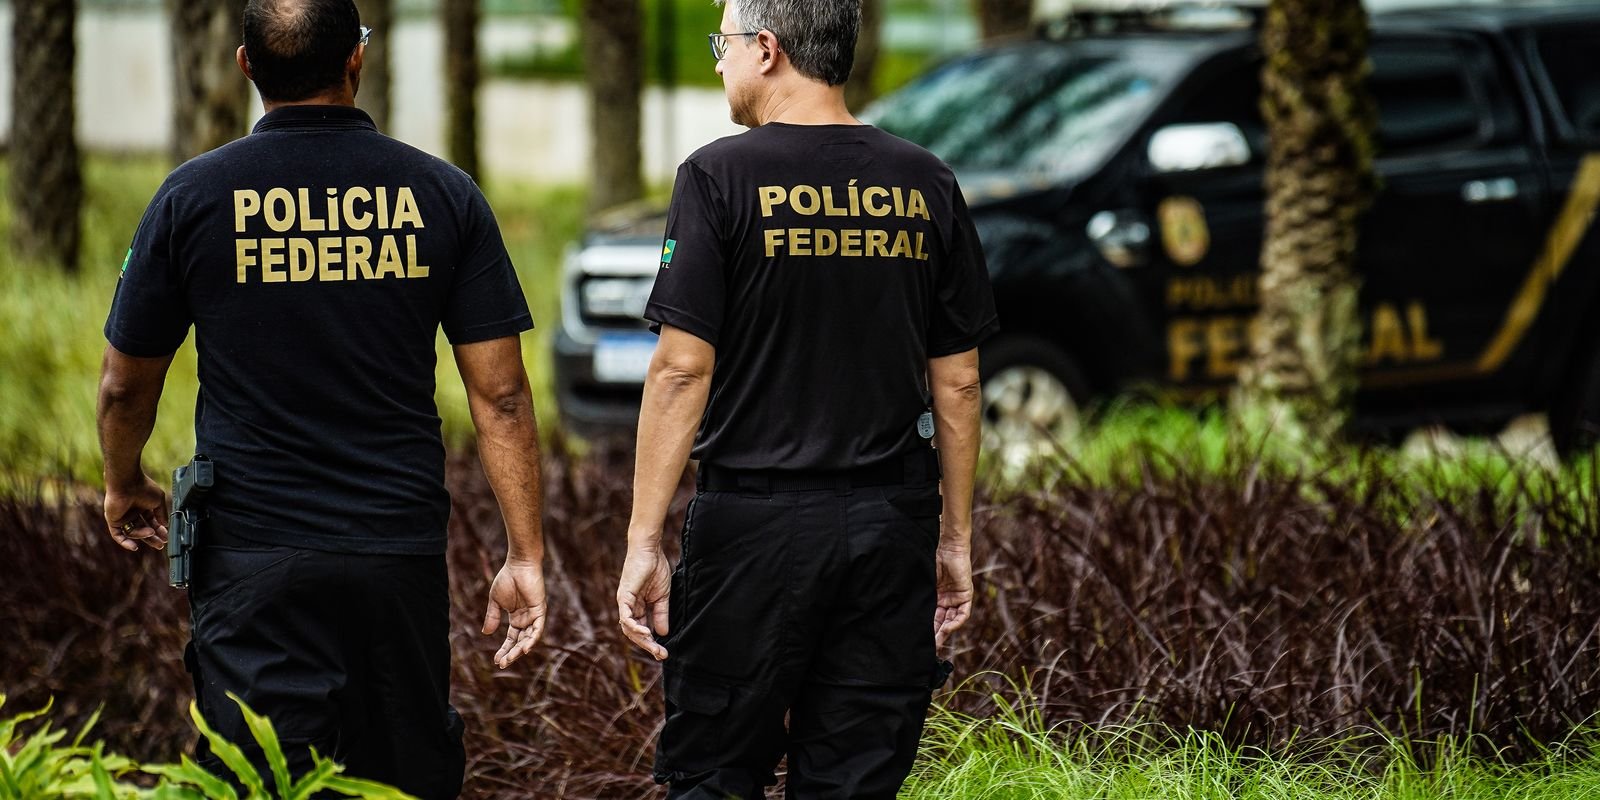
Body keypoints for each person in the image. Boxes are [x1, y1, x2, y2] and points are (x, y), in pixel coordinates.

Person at [95, 1, 546, 796]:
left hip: (253, 558)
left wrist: (123, 481)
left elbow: (125, 381)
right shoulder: (442, 194)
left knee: (261, 780)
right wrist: (525, 554)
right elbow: (502, 395)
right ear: (355, 59)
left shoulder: (192, 197)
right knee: (399, 778)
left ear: (245, 65)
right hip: (395, 554)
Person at [614, 0, 999, 796]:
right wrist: (955, 539)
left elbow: (681, 370)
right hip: (890, 528)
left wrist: (644, 540)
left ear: (767, 48)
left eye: (723, 42)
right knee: (855, 778)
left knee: (715, 772)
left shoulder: (717, 176)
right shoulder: (926, 180)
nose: (717, 61)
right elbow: (959, 381)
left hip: (752, 532)